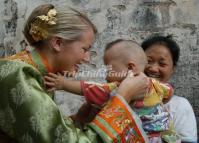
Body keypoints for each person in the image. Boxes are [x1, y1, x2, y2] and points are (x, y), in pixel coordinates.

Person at [0, 4, 150, 143]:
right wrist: (123, 96)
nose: (86, 59)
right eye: (84, 49)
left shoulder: (34, 72)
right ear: (58, 43)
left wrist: (80, 119)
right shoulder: (21, 74)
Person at [44, 39, 180, 143]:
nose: (106, 74)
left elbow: (89, 88)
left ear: (130, 67)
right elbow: (169, 92)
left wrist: (63, 83)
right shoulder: (156, 85)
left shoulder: (117, 88)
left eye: (109, 68)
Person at [141, 35, 198, 143]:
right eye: (148, 61)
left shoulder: (180, 106)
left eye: (162, 64)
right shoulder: (125, 97)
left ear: (173, 69)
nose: (153, 69)